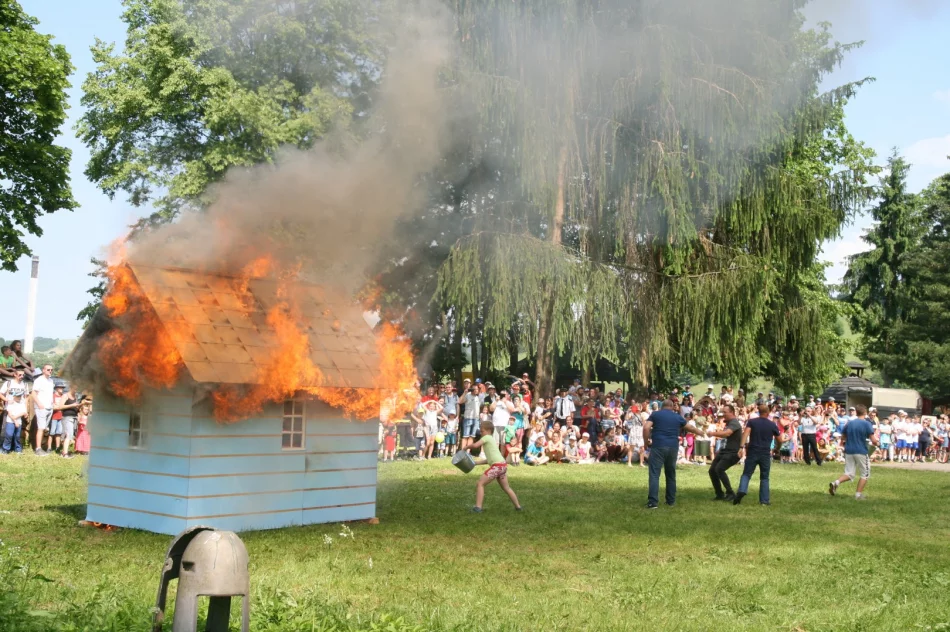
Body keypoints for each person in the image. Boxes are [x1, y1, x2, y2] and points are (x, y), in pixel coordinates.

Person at [643, 400, 704, 509]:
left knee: (654, 474)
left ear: (662, 406)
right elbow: (689, 427)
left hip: (658, 446)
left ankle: (653, 502)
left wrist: (645, 442)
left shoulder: (655, 414)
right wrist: (700, 432)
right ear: (672, 407)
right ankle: (670, 501)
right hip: (673, 447)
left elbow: (646, 427)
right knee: (671, 474)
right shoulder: (677, 416)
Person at [466, 419, 522, 512]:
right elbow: (490, 460)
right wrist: (476, 463)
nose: (480, 432)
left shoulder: (487, 437)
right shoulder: (491, 440)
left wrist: (466, 447)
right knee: (506, 488)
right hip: (502, 466)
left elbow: (475, 445)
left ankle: (478, 507)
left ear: (488, 431)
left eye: (482, 430)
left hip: (497, 467)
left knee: (480, 483)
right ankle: (518, 507)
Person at [734, 404, 781, 506]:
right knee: (764, 477)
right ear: (768, 412)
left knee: (746, 474)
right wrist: (778, 448)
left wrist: (741, 447)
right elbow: (779, 439)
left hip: (752, 451)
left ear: (758, 411)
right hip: (765, 453)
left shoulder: (752, 422)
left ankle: (742, 490)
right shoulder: (772, 424)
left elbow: (745, 434)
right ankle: (764, 501)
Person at [829, 404, 878, 500]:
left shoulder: (849, 423)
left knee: (849, 473)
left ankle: (836, 483)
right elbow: (874, 440)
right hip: (861, 451)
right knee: (865, 474)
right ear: (865, 413)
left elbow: (842, 437)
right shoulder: (867, 424)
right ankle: (858, 495)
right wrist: (877, 443)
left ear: (856, 412)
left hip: (849, 450)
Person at [706, 404, 743, 501]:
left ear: (732, 412)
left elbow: (727, 433)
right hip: (725, 451)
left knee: (719, 469)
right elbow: (727, 438)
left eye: (725, 412)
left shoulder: (734, 422)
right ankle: (719, 494)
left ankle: (730, 493)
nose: (723, 415)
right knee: (712, 471)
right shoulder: (729, 423)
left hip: (732, 452)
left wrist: (712, 434)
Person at [30, 364, 55, 456]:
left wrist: (52, 403)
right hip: (41, 407)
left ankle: (42, 446)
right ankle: (38, 448)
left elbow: (50, 394)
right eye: (48, 369)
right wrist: (39, 403)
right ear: (43, 370)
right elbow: (33, 393)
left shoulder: (51, 381)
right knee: (41, 428)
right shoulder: (39, 380)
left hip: (49, 407)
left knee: (44, 428)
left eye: (51, 370)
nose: (50, 371)